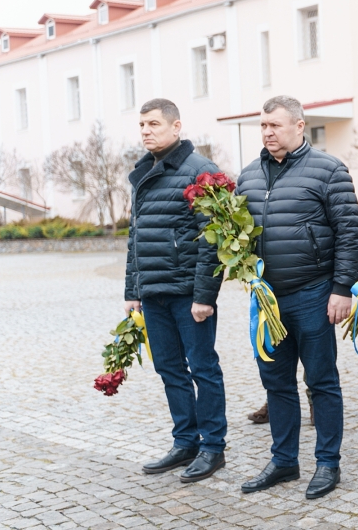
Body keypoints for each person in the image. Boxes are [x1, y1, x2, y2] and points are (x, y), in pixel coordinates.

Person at [236, 95, 358, 500]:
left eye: (275, 125)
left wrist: (342, 288)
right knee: (275, 382)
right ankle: (284, 460)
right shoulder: (249, 176)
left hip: (313, 293)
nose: (268, 132)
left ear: (298, 126)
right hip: (268, 300)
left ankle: (328, 463)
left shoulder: (328, 170)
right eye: (263, 125)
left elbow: (349, 231)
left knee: (322, 382)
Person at [127, 98, 227, 483]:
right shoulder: (142, 172)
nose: (146, 130)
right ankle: (185, 441)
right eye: (142, 125)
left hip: (188, 292)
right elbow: (136, 237)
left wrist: (205, 296)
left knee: (203, 368)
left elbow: (214, 241)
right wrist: (132, 289)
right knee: (169, 369)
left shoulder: (200, 171)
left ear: (176, 126)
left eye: (153, 123)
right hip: (153, 292)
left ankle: (213, 447)